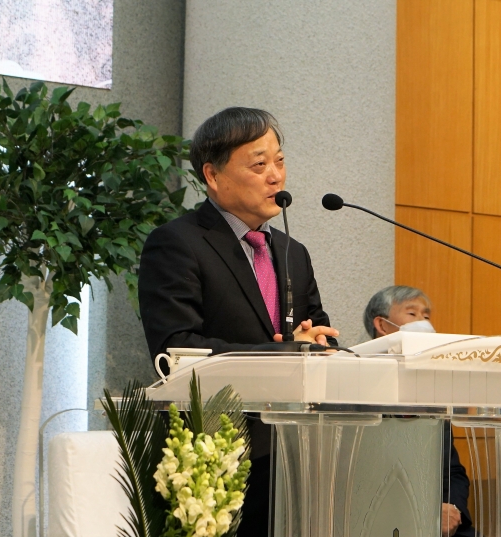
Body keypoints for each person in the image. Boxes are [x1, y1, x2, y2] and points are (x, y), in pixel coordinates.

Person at [138, 107, 338, 536]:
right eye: (259, 165)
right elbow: (176, 347)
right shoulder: (176, 244)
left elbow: (319, 332)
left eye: (280, 162)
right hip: (213, 457)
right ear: (213, 175)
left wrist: (318, 345)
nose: (276, 177)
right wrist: (285, 353)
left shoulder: (293, 252)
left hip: (295, 452)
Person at [363, 286, 475, 537]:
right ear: (382, 325)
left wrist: (452, 509)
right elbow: (362, 476)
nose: (424, 323)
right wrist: (424, 510)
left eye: (426, 316)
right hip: (378, 520)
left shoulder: (431, 392)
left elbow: (452, 472)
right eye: (412, 314)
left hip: (437, 525)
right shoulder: (358, 387)